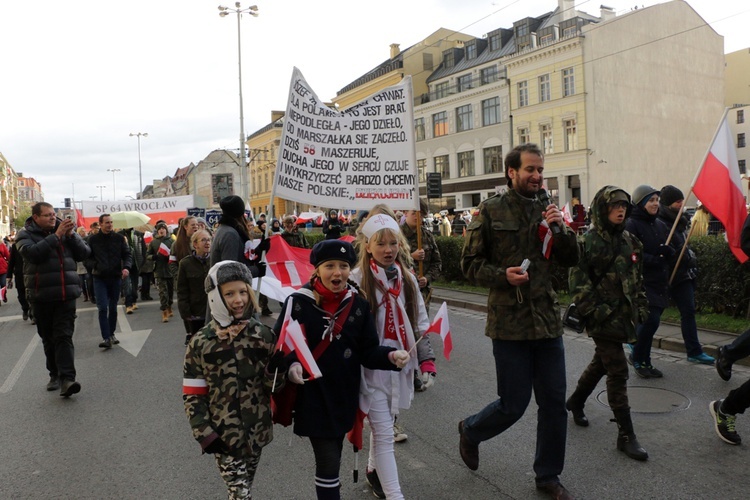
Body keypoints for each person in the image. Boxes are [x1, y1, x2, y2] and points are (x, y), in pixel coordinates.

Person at [458, 143, 579, 500]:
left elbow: (571, 258)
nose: (537, 176)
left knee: (554, 403)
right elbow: (469, 265)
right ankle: (471, 430)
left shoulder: (549, 208)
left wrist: (560, 229)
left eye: (540, 170)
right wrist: (502, 276)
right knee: (513, 403)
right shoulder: (490, 211)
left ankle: (548, 476)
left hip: (545, 320)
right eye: (530, 170)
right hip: (509, 323)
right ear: (512, 172)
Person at [274, 240, 407, 500]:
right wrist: (291, 367)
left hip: (345, 395)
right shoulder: (297, 303)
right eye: (330, 266)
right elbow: (279, 348)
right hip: (312, 397)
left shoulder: (358, 305)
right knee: (328, 462)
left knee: (333, 455)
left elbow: (368, 351)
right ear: (317, 270)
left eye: (344, 266)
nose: (338, 272)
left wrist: (391, 355)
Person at [183, 260, 286, 499]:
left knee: (245, 485)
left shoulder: (263, 335)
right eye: (229, 294)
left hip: (256, 432)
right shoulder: (200, 342)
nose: (238, 300)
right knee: (240, 493)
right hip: (223, 436)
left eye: (243, 292)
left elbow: (273, 389)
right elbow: (193, 393)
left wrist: (276, 373)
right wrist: (204, 432)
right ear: (215, 297)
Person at [567, 186, 650, 461]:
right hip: (601, 319)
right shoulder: (588, 242)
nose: (620, 210)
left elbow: (636, 279)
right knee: (618, 370)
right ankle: (626, 435)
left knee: (600, 363)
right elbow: (578, 284)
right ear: (603, 210)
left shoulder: (630, 241)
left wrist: (641, 306)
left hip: (623, 319)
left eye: (624, 206)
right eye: (614, 206)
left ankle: (576, 400)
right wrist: (596, 312)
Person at [351, 213, 427, 500]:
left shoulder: (406, 278)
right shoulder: (356, 279)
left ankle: (373, 471)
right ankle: (396, 496)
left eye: (392, 243)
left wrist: (426, 359)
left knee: (384, 426)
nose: (387, 249)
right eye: (380, 243)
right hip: (369, 367)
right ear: (368, 246)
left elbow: (421, 320)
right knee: (384, 433)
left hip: (399, 366)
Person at [15, 202, 90, 396]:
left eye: (53, 215)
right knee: (48, 338)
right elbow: (33, 254)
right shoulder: (24, 235)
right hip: (41, 296)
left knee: (63, 336)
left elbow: (84, 253)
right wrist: (56, 236)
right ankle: (54, 373)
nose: (52, 218)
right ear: (35, 217)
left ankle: (68, 379)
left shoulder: (64, 233)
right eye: (47, 215)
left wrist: (71, 235)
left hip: (66, 295)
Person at [658, 185, 715, 364]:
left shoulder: (681, 221)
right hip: (667, 274)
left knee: (688, 311)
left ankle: (694, 351)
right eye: (677, 202)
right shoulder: (660, 223)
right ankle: (637, 341)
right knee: (654, 314)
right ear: (668, 204)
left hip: (684, 274)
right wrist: (674, 254)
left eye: (682, 201)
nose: (681, 204)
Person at [625, 185, 673, 378]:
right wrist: (654, 259)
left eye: (656, 200)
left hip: (659, 281)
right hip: (642, 282)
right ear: (640, 203)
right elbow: (632, 254)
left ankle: (646, 360)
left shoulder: (660, 224)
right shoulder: (632, 224)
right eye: (651, 200)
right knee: (649, 320)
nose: (655, 204)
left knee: (652, 324)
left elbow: (670, 246)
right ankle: (638, 358)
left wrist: (670, 252)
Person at [401, 198, 442, 392]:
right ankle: (409, 373)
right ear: (406, 214)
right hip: (401, 291)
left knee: (419, 332)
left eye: (421, 214)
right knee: (404, 331)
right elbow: (389, 258)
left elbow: (437, 263)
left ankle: (419, 369)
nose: (417, 217)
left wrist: (427, 278)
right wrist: (411, 257)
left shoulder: (427, 236)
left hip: (421, 293)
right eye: (413, 213)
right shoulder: (396, 235)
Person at [87, 214, 133, 349]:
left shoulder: (119, 238)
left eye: (111, 222)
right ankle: (106, 337)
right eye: (107, 222)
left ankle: (111, 333)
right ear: (100, 224)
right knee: (102, 308)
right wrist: (95, 265)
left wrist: (126, 267)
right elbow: (86, 258)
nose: (110, 225)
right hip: (99, 278)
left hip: (115, 277)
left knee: (113, 308)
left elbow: (127, 254)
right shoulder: (93, 239)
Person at [177, 229, 212, 346]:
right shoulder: (185, 264)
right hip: (196, 313)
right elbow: (182, 290)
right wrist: (185, 313)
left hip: (213, 311)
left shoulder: (215, 261)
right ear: (195, 244)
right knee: (198, 345)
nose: (207, 243)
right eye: (203, 240)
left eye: (209, 240)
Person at [147, 222, 174, 323]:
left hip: (170, 269)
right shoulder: (153, 243)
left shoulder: (171, 241)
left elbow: (176, 253)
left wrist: (170, 256)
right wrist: (153, 257)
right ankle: (164, 311)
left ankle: (170, 305)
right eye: (160, 229)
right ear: (157, 231)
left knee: (170, 291)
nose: (162, 230)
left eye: (163, 228)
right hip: (158, 270)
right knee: (162, 292)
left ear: (166, 230)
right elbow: (147, 255)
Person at [118, 226, 147, 314]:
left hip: (136, 263)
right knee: (127, 285)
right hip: (125, 264)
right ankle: (128, 305)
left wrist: (142, 261)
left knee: (135, 285)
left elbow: (143, 249)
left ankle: (134, 300)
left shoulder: (138, 234)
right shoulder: (119, 235)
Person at [7, 240, 32, 322]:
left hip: (31, 273)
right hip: (19, 274)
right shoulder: (15, 246)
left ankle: (32, 314)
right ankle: (25, 309)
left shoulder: (33, 243)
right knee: (21, 295)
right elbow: (11, 261)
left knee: (31, 294)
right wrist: (9, 275)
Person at [75, 227, 90, 301]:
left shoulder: (88, 239)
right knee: (82, 284)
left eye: (84, 230)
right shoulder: (76, 241)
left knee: (88, 281)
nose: (83, 232)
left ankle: (91, 295)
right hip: (79, 266)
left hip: (86, 265)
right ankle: (85, 295)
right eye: (82, 231)